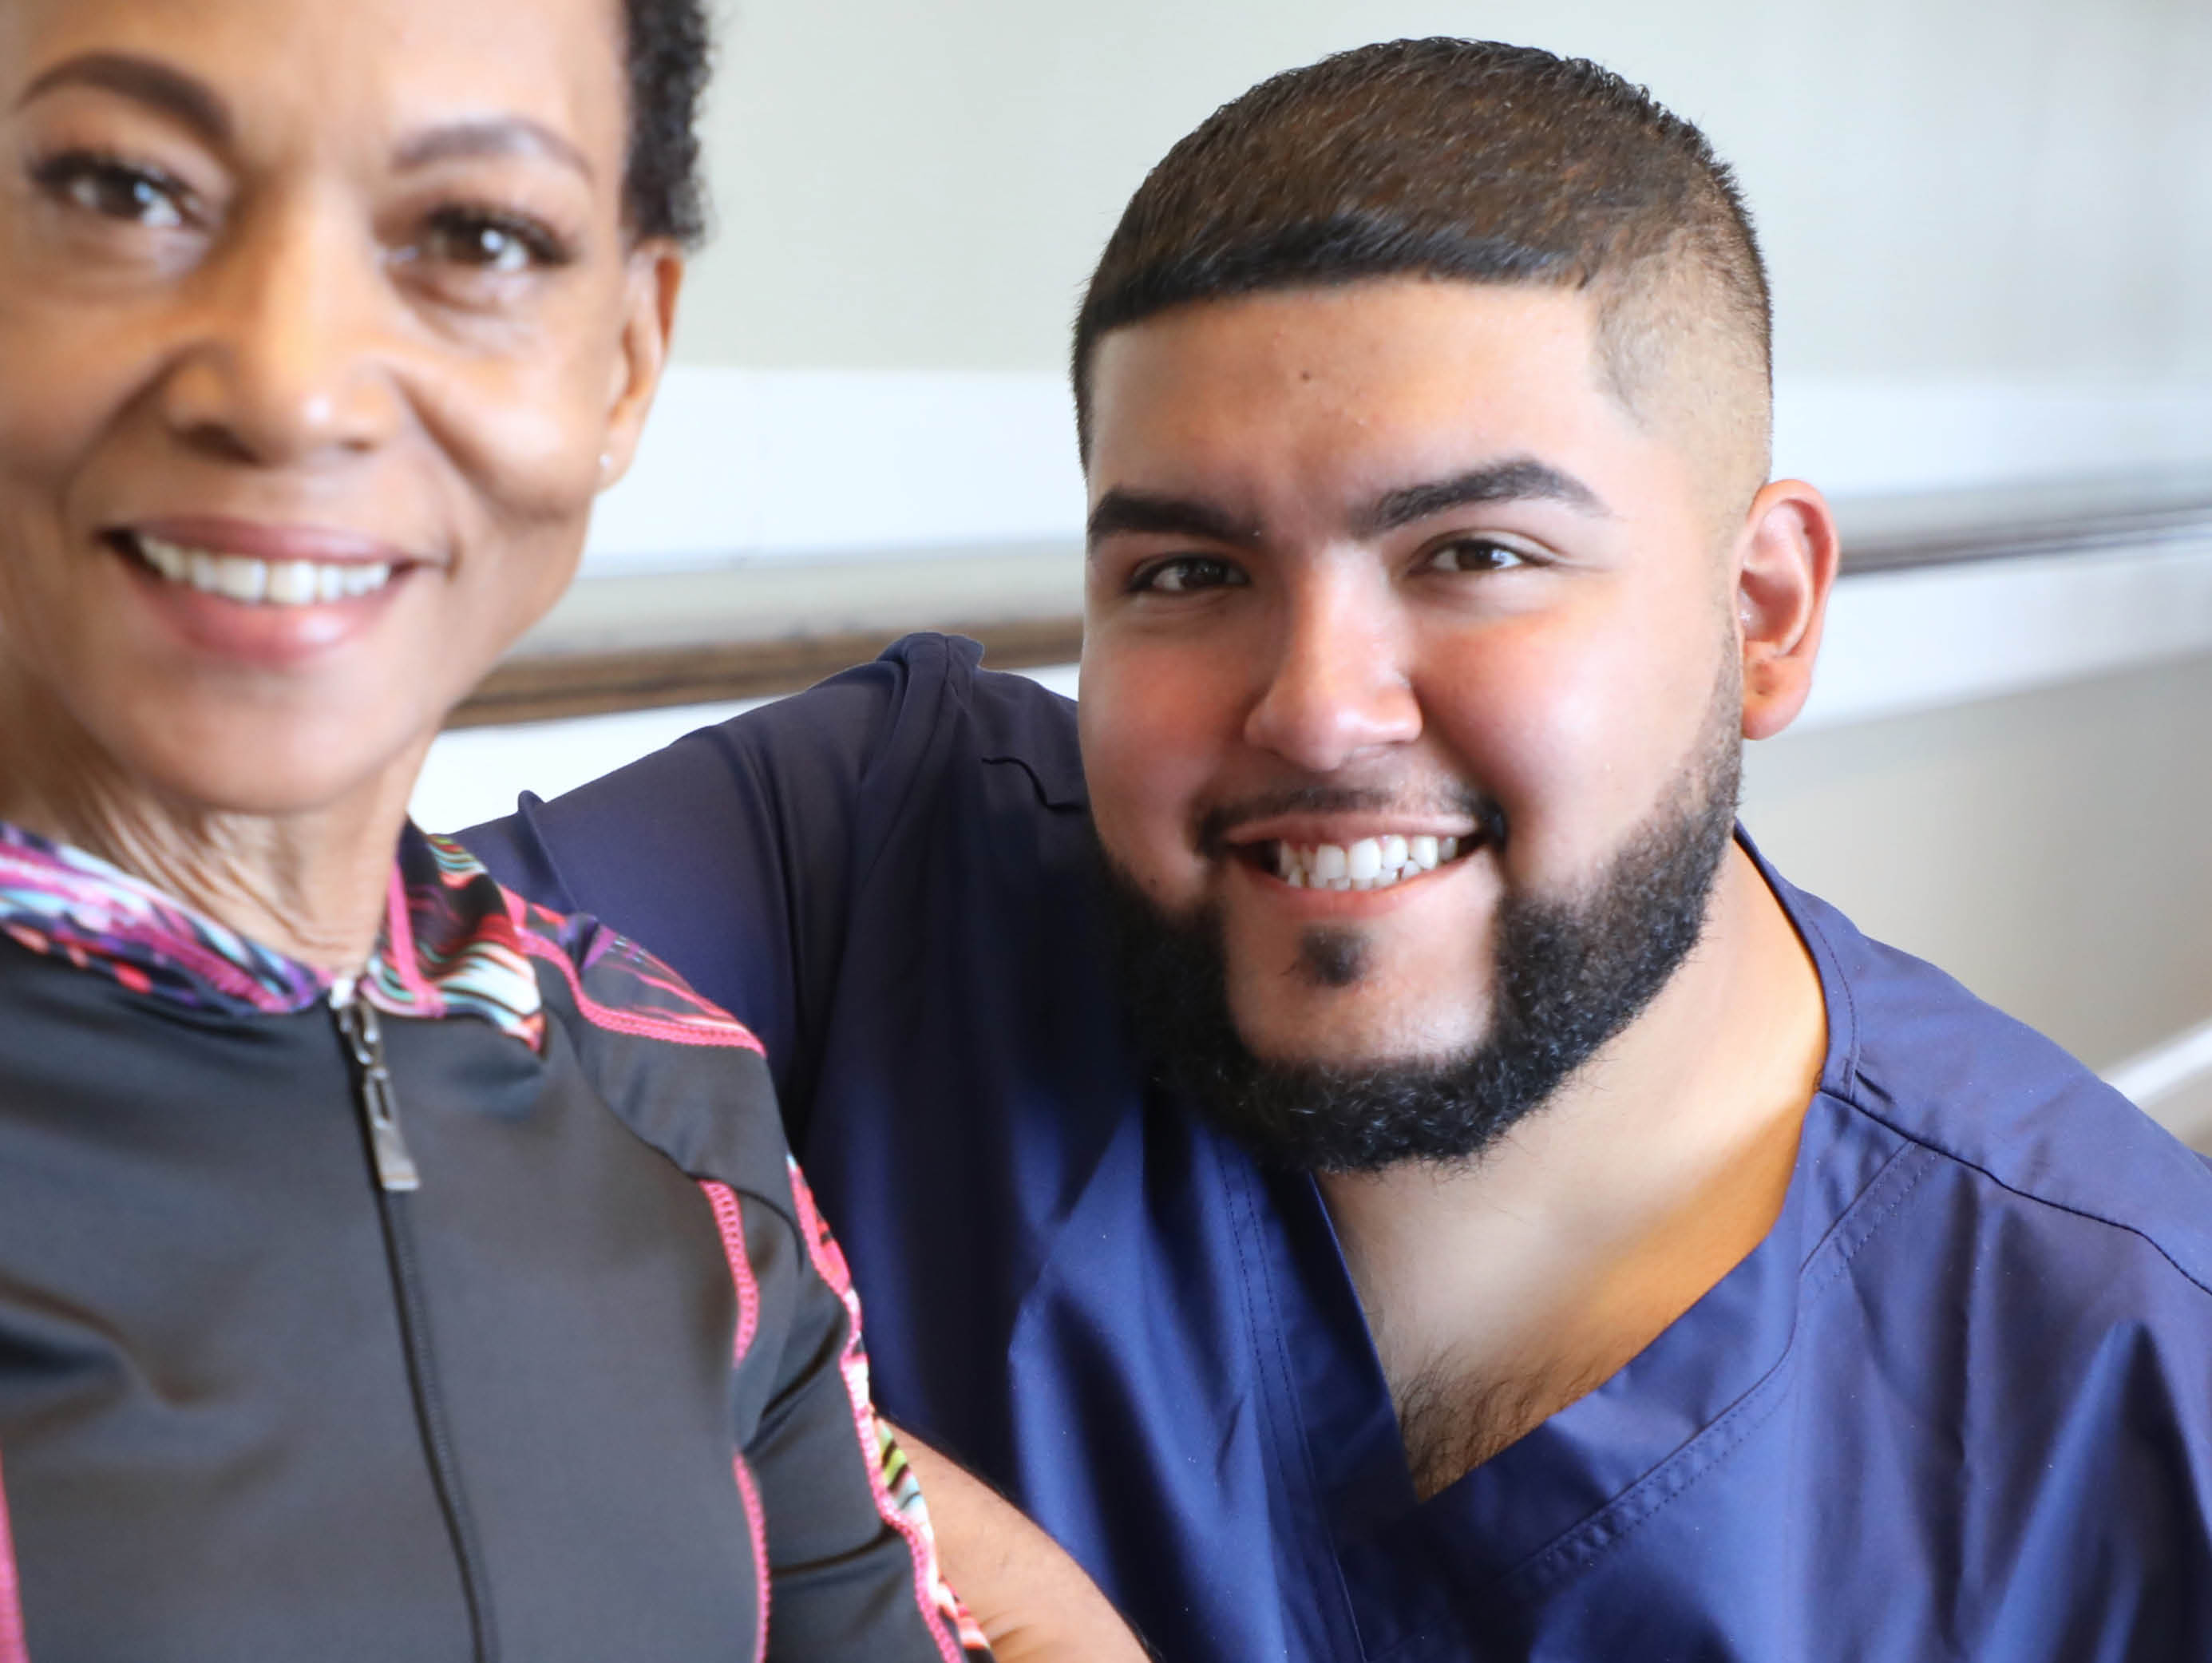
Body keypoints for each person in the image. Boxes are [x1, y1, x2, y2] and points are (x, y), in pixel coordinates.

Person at [467, 38, 2212, 1663]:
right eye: (1189, 574)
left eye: (1474, 554)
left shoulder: (2129, 1388)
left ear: (1761, 613)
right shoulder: (869, 869)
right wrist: (894, 1519)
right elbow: (253, 1041)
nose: (1314, 708)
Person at [0, 0, 1142, 1657]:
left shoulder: (667, 1095)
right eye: (122, 189)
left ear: (622, 360)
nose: (288, 387)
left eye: (474, 234)